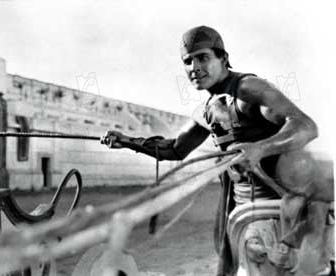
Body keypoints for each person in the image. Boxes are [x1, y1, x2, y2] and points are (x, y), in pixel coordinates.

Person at [102, 26, 333, 276]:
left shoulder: (248, 90)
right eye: (188, 61)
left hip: (288, 210)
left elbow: (305, 126)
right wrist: (128, 141)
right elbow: (176, 149)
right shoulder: (207, 110)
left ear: (223, 58)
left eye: (203, 57)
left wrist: (260, 148)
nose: (195, 67)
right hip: (244, 214)